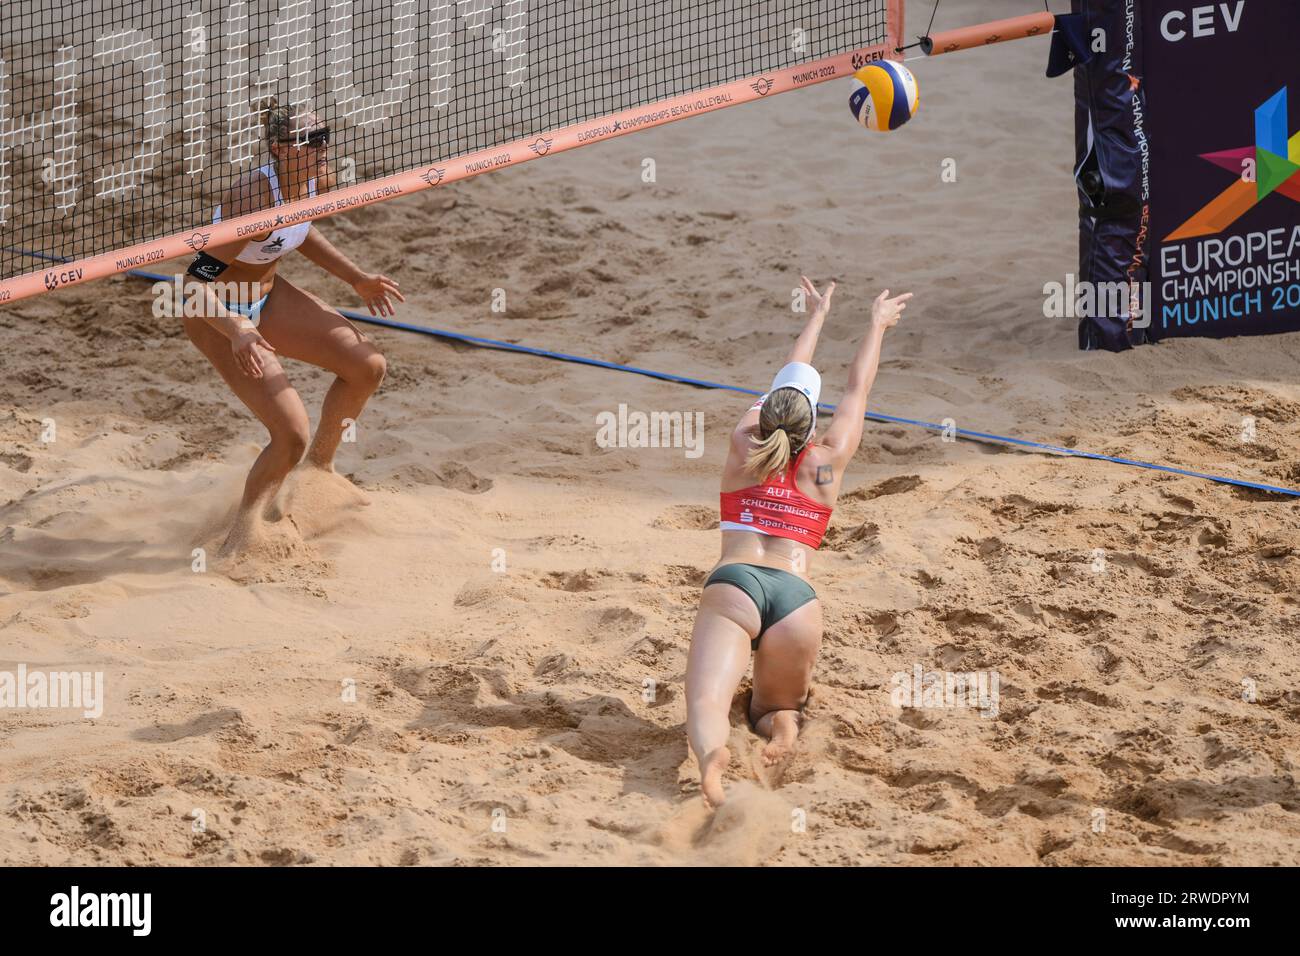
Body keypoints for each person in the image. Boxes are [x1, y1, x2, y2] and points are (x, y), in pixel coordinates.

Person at [684, 277, 912, 807]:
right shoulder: (828, 459)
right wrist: (876, 324)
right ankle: (782, 732)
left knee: (707, 702)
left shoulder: (744, 442)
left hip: (737, 584)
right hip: (796, 599)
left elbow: (782, 385)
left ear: (766, 413)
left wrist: (815, 317)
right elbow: (859, 390)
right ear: (813, 421)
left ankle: (713, 763)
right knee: (771, 708)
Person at [180, 99, 403, 555]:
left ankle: (319, 470)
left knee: (367, 366)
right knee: (289, 435)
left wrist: (356, 278)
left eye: (324, 136)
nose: (322, 147)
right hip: (219, 313)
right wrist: (238, 328)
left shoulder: (318, 179)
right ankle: (242, 536)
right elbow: (189, 285)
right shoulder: (251, 198)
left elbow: (298, 231)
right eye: (310, 140)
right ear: (280, 149)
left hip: (268, 295)